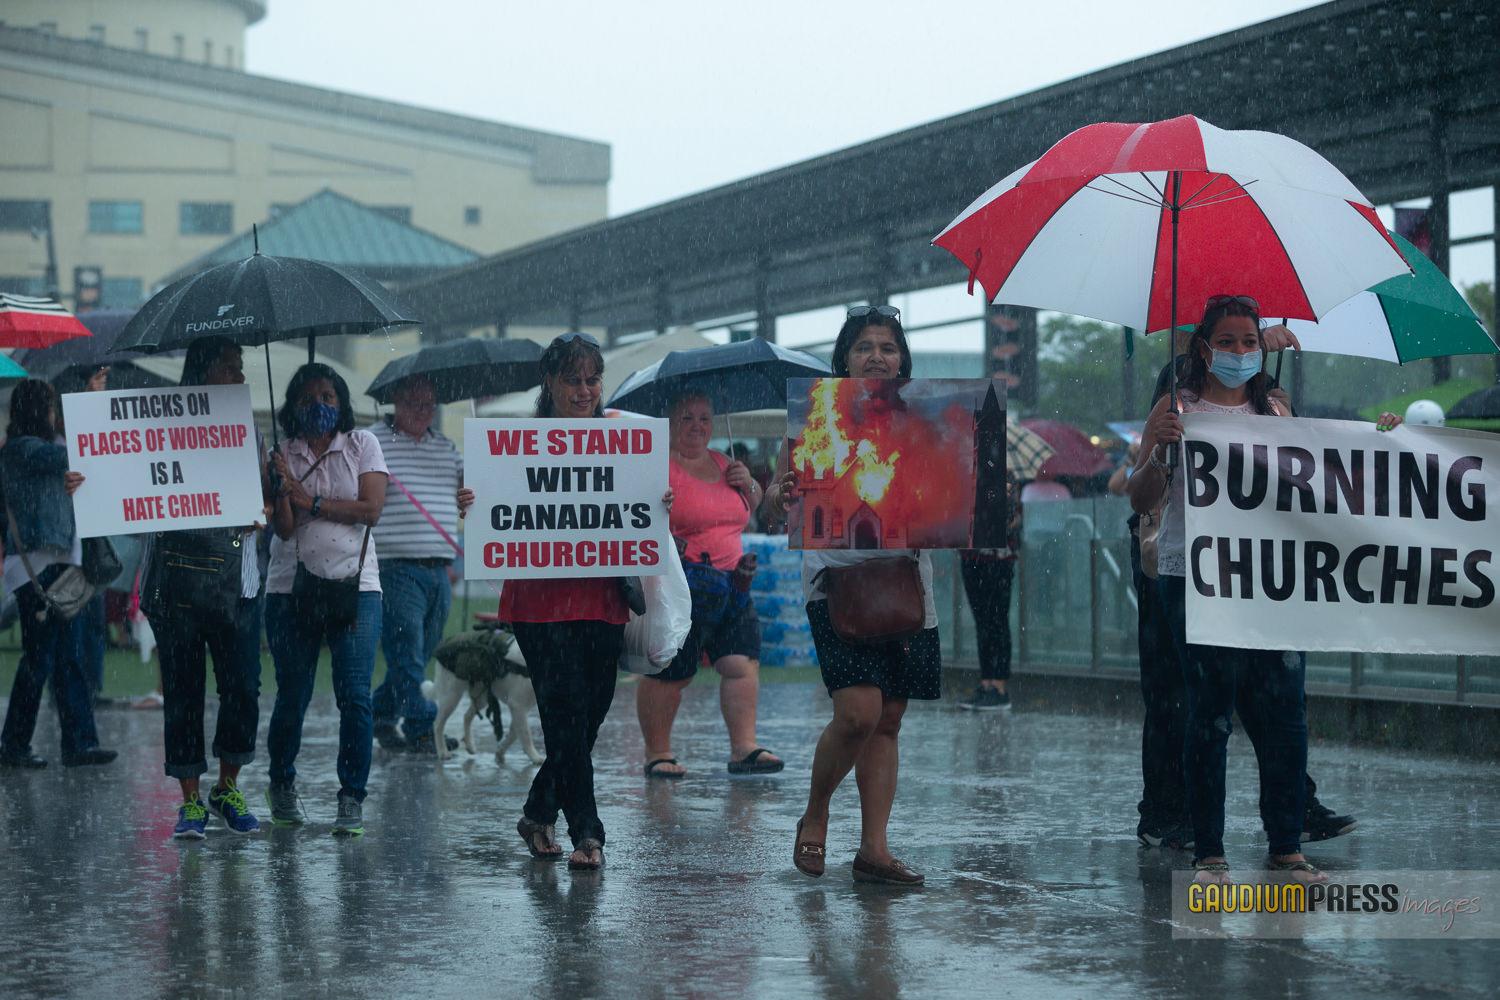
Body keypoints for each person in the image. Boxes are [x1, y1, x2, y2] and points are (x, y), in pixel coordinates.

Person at [1129, 295, 1400, 885]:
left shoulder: (1278, 412)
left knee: (1285, 713)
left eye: (1249, 341)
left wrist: (1387, 444)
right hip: (1195, 580)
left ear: (1263, 346)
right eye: (1226, 342)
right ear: (1203, 349)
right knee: (1209, 714)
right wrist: (1161, 452)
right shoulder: (1176, 409)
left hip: (1270, 585)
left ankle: (1285, 847)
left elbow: (1322, 477)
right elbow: (1140, 498)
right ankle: (1210, 853)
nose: (1239, 352)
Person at [458, 332, 673, 872]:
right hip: (537, 602)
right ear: (549, 382)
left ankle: (537, 812)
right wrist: (474, 503)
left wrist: (658, 499)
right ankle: (588, 832)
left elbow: (651, 507)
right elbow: (492, 513)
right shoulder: (515, 447)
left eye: (592, 379)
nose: (584, 390)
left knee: (588, 716)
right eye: (573, 379)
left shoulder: (625, 439)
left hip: (602, 599)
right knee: (563, 714)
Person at [767, 305, 939, 887]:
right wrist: (779, 493)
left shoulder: (926, 418)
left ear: (902, 358)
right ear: (843, 359)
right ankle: (816, 812)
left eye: (887, 347)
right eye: (864, 346)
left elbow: (946, 494)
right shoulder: (816, 417)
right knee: (858, 710)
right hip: (836, 584)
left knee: (889, 717)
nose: (877, 356)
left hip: (906, 585)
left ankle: (874, 848)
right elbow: (774, 506)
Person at [143, 337, 267, 838]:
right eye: (230, 367)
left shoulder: (249, 429)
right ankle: (190, 800)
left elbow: (259, 498)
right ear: (202, 372)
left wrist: (269, 482)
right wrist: (88, 484)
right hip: (176, 581)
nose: (239, 376)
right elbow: (132, 492)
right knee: (183, 692)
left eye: (240, 367)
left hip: (237, 580)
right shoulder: (161, 428)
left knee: (242, 687)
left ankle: (227, 786)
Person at [265, 363, 387, 836]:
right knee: (292, 696)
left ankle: (351, 795)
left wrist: (309, 499)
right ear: (293, 405)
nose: (320, 406)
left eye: (329, 397)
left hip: (355, 587)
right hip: (290, 588)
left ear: (341, 403)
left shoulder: (362, 445)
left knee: (355, 696)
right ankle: (281, 784)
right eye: (309, 398)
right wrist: (280, 490)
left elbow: (371, 510)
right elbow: (283, 528)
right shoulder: (282, 453)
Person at [636, 389, 782, 778]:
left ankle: (744, 747)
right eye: (687, 418)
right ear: (670, 423)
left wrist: (748, 482)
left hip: (734, 580)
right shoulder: (658, 467)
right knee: (670, 671)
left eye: (704, 418)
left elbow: (750, 510)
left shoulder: (724, 462)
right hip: (680, 586)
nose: (697, 426)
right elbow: (637, 515)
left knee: (740, 662)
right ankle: (657, 752)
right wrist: (655, 502)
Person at [0, 379, 117, 769]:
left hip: (54, 567)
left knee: (66, 657)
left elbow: (71, 459)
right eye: (51, 407)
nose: (55, 415)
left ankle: (78, 743)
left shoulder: (41, 451)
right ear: (40, 411)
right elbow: (69, 455)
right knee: (42, 659)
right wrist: (90, 401)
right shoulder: (21, 450)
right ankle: (17, 744)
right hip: (38, 569)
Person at [369, 374, 463, 754]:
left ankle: (381, 712)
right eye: (414, 404)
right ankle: (424, 727)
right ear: (395, 401)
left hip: (439, 565)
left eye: (429, 405)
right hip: (394, 564)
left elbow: (464, 490)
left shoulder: (446, 446)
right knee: (406, 647)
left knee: (422, 651)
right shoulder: (372, 441)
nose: (423, 412)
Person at [955, 478, 1022, 711]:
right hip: (972, 559)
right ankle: (986, 682)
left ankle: (999, 686)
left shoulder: (1008, 481)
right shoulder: (967, 480)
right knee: (982, 621)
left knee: (997, 621)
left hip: (998, 560)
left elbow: (1012, 521)